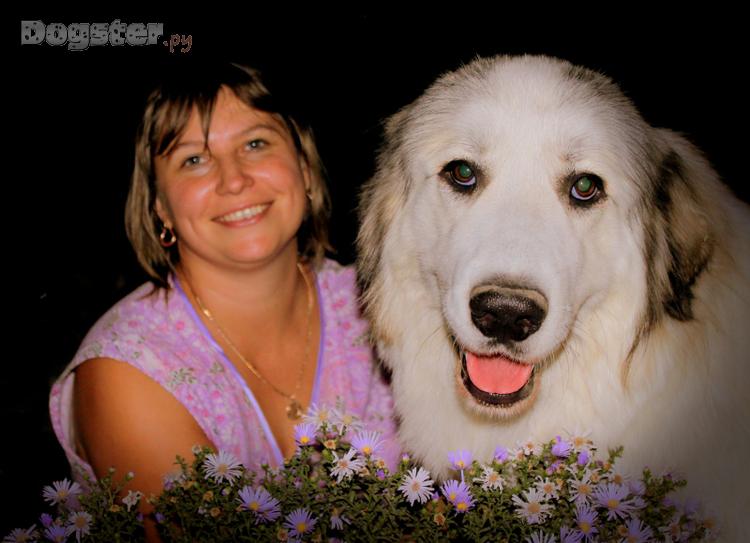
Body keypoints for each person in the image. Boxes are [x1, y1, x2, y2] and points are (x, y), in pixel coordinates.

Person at [48, 61, 399, 532]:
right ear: (160, 207)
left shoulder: (387, 303)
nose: (233, 180)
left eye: (255, 144)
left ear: (304, 168)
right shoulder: (129, 368)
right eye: (193, 159)